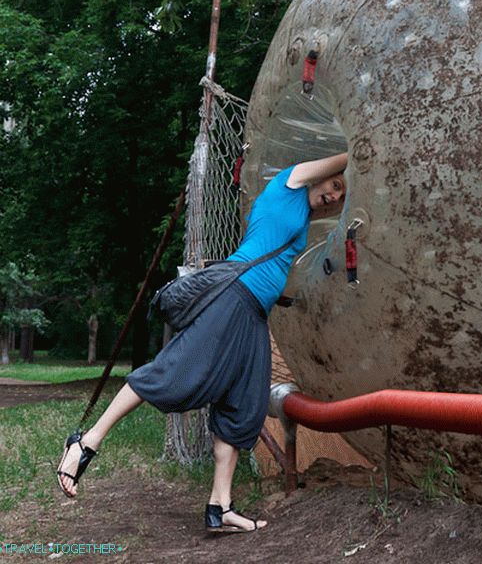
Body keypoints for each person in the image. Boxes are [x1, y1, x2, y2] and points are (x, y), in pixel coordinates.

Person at [55, 153, 348, 532]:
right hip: (234, 298)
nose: (334, 196)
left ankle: (220, 506)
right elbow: (341, 159)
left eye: (340, 195)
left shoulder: (305, 219)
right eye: (334, 186)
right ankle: (85, 442)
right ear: (319, 177)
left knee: (243, 403)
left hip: (254, 315)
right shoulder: (289, 183)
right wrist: (358, 149)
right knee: (173, 372)